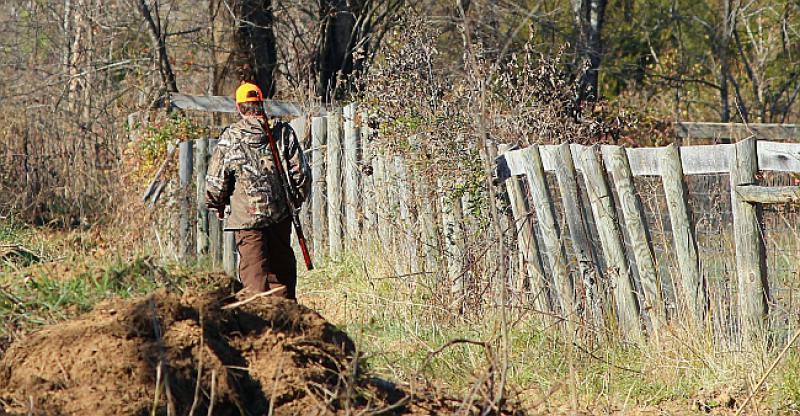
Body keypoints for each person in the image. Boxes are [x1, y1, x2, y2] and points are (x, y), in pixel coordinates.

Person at [205, 82, 311, 300]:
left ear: (239, 108)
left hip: (247, 222)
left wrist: (217, 203)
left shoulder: (231, 138)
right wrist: (294, 201)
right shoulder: (283, 133)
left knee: (254, 279)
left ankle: (260, 327)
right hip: (281, 217)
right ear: (261, 104)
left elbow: (215, 183)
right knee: (282, 278)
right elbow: (301, 175)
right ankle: (287, 325)